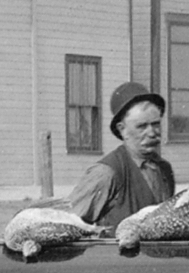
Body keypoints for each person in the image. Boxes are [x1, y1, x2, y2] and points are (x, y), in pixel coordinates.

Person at [66, 82, 176, 229]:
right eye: (142, 126)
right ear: (122, 129)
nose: (152, 133)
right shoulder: (106, 173)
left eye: (155, 124)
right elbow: (68, 223)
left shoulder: (164, 169)